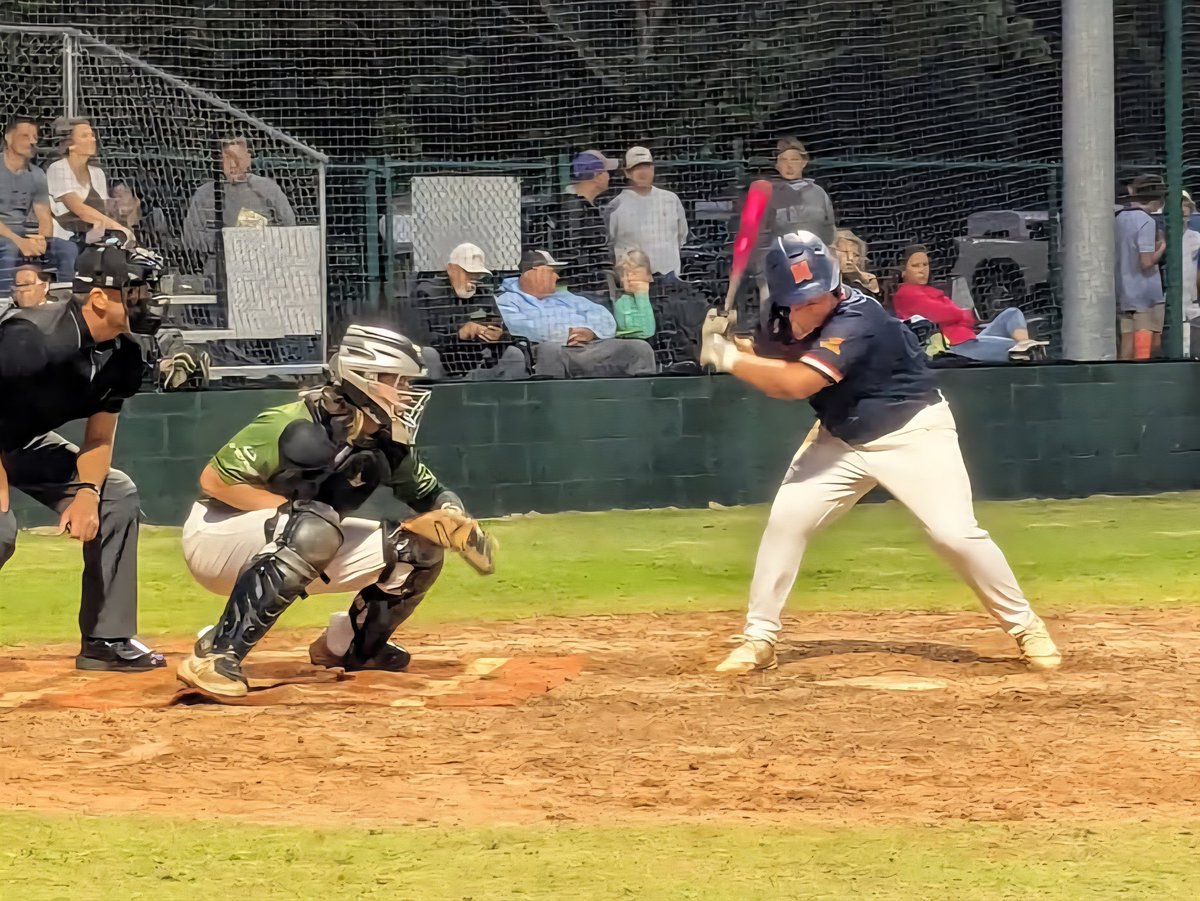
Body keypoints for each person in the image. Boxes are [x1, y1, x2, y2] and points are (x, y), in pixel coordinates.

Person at [699, 230, 1061, 674]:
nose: (814, 306)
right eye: (802, 300)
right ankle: (759, 638)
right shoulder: (781, 313)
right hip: (841, 439)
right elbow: (775, 352)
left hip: (913, 432)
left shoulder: (858, 317)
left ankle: (1026, 627)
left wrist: (730, 359)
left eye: (821, 296)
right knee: (786, 522)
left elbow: (797, 383)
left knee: (954, 535)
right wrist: (732, 341)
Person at [176, 325, 495, 700]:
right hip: (217, 536)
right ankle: (217, 655)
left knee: (418, 550)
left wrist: (453, 517)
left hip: (303, 539)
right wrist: (294, 514)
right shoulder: (293, 421)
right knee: (316, 526)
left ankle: (353, 648)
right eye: (398, 382)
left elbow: (430, 493)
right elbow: (215, 482)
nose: (408, 394)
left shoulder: (386, 441)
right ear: (366, 379)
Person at [0, 238, 168, 671]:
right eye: (135, 293)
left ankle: (105, 640)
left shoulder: (125, 355)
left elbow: (99, 437)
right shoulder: (31, 338)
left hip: (22, 440)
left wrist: (88, 493)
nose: (147, 301)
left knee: (115, 493)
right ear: (97, 298)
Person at [496, 249, 656, 378]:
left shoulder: (565, 297)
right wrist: (566, 333)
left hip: (590, 347)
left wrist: (590, 332)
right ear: (536, 272)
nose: (557, 276)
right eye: (552, 271)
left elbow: (604, 317)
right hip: (552, 350)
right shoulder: (508, 300)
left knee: (638, 348)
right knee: (548, 351)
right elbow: (518, 327)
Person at [891, 245, 1043, 362]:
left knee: (1012, 313)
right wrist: (961, 314)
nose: (922, 270)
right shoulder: (906, 293)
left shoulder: (930, 291)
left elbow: (959, 317)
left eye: (925, 265)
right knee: (1018, 350)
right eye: (915, 266)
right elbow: (949, 314)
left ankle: (1024, 343)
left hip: (967, 339)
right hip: (953, 348)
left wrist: (959, 315)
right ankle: (1024, 350)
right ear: (903, 271)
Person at [182, 137, 296, 272]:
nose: (233, 165)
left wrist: (262, 239)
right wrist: (228, 240)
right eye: (227, 159)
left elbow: (290, 229)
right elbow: (191, 237)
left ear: (248, 159)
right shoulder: (204, 194)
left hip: (264, 266)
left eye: (238, 158)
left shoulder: (268, 189)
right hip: (220, 271)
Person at [407, 242, 519, 380]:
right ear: (451, 269)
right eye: (469, 273)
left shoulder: (483, 294)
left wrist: (500, 337)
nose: (474, 279)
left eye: (477, 275)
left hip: (480, 361)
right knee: (428, 354)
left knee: (514, 354)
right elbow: (418, 338)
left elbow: (507, 334)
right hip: (443, 361)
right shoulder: (426, 293)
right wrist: (458, 334)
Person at [45, 118, 132, 282]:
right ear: (70, 143)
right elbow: (79, 209)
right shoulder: (58, 168)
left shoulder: (97, 173)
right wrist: (118, 227)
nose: (92, 139)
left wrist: (126, 210)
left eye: (92, 135)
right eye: (85, 136)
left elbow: (103, 211)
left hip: (94, 237)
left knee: (117, 259)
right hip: (67, 237)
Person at [751, 137, 837, 275]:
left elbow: (829, 231)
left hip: (817, 265)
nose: (789, 165)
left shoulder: (819, 194)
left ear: (804, 162)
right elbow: (761, 237)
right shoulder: (768, 195)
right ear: (776, 165)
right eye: (783, 160)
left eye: (794, 160)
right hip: (781, 268)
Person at [606, 146, 688, 277]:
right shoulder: (616, 206)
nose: (643, 172)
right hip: (633, 282)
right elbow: (609, 245)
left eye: (647, 166)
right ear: (627, 173)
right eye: (637, 167)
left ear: (653, 169)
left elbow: (682, 237)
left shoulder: (671, 200)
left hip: (670, 278)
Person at [0, 116, 56, 296]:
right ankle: (3, 301)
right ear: (8, 138)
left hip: (22, 233)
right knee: (10, 247)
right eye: (25, 136)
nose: (32, 142)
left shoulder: (37, 174)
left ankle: (59, 300)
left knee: (66, 249)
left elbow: (44, 216)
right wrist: (20, 242)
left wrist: (42, 239)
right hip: (4, 234)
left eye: (35, 138)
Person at [1114, 174, 1167, 361]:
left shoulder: (1118, 218)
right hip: (1145, 294)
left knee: (1127, 347)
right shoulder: (1146, 221)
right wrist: (1162, 246)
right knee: (1147, 349)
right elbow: (1146, 262)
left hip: (1124, 292)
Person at [558, 149, 618, 297]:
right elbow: (573, 252)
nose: (609, 176)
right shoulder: (573, 207)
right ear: (596, 175)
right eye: (606, 171)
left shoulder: (582, 205)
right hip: (582, 292)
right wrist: (594, 281)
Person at [612, 249, 656, 340]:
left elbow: (647, 331)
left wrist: (642, 295)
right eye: (625, 274)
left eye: (635, 273)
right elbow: (635, 331)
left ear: (649, 276)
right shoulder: (620, 301)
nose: (630, 278)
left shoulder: (661, 299)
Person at [832, 229, 879, 295]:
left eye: (855, 255)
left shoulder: (866, 282)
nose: (850, 258)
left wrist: (862, 280)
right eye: (845, 252)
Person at [1181, 191, 1200, 356]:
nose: (1182, 220)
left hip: (1192, 304)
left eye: (1185, 215)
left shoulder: (1196, 239)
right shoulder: (1162, 238)